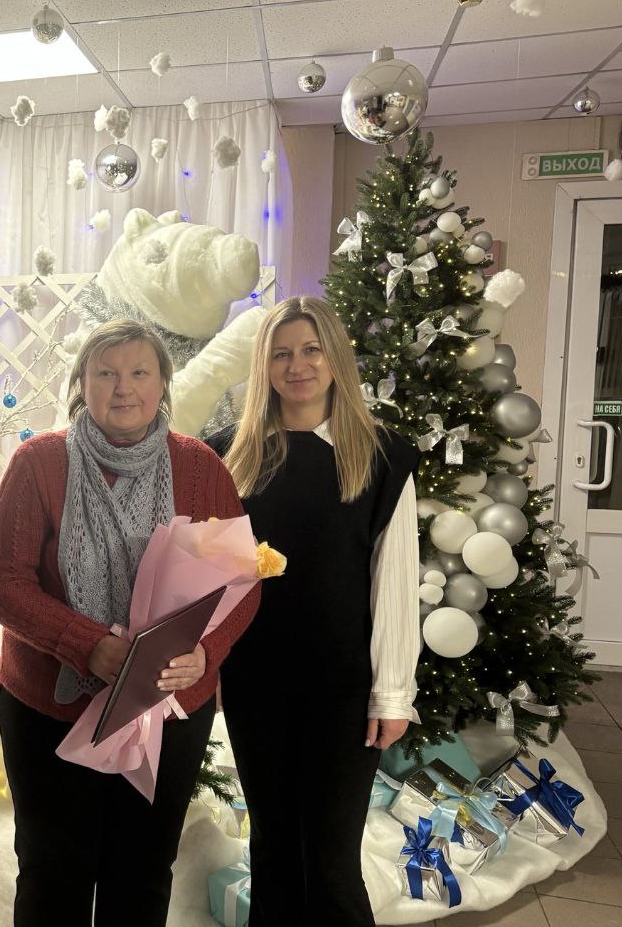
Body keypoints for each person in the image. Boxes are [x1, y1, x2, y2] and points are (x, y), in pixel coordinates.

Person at [0, 318, 260, 927]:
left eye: (139, 372)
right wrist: (87, 646)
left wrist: (205, 653)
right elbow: (1, 582)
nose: (123, 387)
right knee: (53, 872)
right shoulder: (38, 462)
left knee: (142, 870)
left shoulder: (199, 467)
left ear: (163, 383)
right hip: (50, 708)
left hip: (167, 707)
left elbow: (242, 582)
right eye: (106, 372)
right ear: (82, 382)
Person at [207, 296, 421, 927]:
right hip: (255, 679)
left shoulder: (382, 458)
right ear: (264, 365)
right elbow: (209, 576)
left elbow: (394, 582)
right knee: (273, 848)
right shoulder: (228, 456)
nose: (296, 366)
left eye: (310, 350)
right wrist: (209, 664)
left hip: (341, 686)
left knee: (330, 860)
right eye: (281, 353)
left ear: (336, 358)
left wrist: (392, 694)